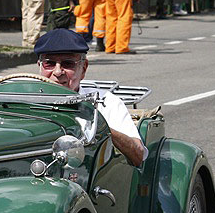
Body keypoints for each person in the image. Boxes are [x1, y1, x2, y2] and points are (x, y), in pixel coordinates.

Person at [34, 29, 146, 165]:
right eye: (49, 63)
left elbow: (138, 154)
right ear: (40, 66)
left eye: (68, 64)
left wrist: (100, 127)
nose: (57, 72)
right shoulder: (23, 100)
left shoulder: (105, 101)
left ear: (83, 68)